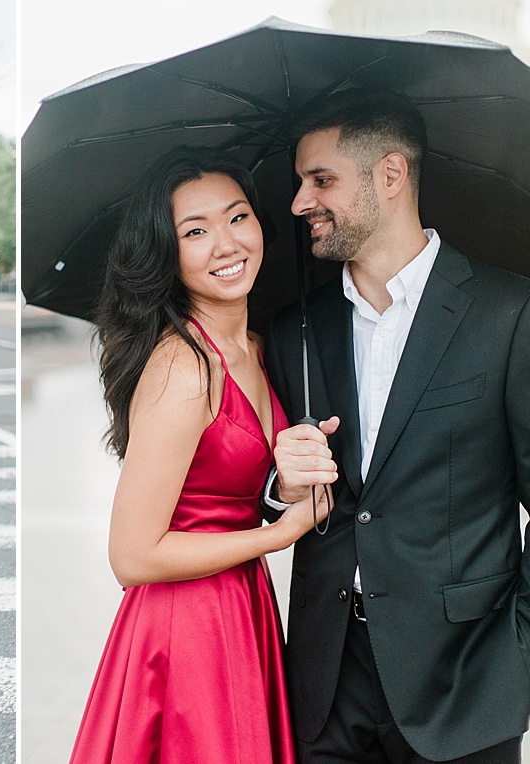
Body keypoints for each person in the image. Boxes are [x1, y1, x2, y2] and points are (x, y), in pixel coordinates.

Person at [263, 89, 530, 762]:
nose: (299, 203)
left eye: (321, 180)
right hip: (325, 687)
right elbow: (264, 493)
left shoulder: (508, 314)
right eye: (300, 182)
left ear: (390, 175)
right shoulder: (295, 327)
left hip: (464, 688)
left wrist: (517, 658)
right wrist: (280, 484)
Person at [68, 147, 330, 764]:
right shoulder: (184, 366)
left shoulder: (260, 347)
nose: (225, 243)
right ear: (166, 253)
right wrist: (279, 534)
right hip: (186, 625)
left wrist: (286, 486)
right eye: (195, 231)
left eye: (237, 217)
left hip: (241, 606)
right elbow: (132, 555)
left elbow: (231, 486)